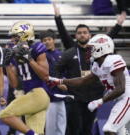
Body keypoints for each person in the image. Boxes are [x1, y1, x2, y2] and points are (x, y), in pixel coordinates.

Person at [52, 3, 126, 135]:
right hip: (78, 96)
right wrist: (61, 81)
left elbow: (108, 38)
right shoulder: (77, 52)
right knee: (75, 129)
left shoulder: (107, 56)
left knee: (97, 129)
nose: (82, 35)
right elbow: (81, 80)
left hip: (101, 95)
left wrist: (119, 24)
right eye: (79, 33)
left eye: (85, 33)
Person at [0, 21, 50, 135]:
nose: (12, 40)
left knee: (4, 115)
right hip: (29, 95)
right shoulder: (15, 53)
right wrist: (6, 64)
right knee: (38, 132)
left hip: (39, 93)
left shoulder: (37, 47)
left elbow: (45, 76)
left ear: (24, 35)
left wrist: (29, 58)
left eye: (15, 37)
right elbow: (15, 84)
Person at [40, 29, 67, 135]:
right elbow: (43, 76)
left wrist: (64, 82)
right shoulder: (40, 56)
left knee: (61, 125)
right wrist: (58, 83)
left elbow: (65, 72)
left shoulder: (61, 54)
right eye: (44, 40)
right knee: (50, 128)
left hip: (61, 96)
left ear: (54, 40)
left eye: (49, 39)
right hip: (48, 97)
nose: (47, 42)